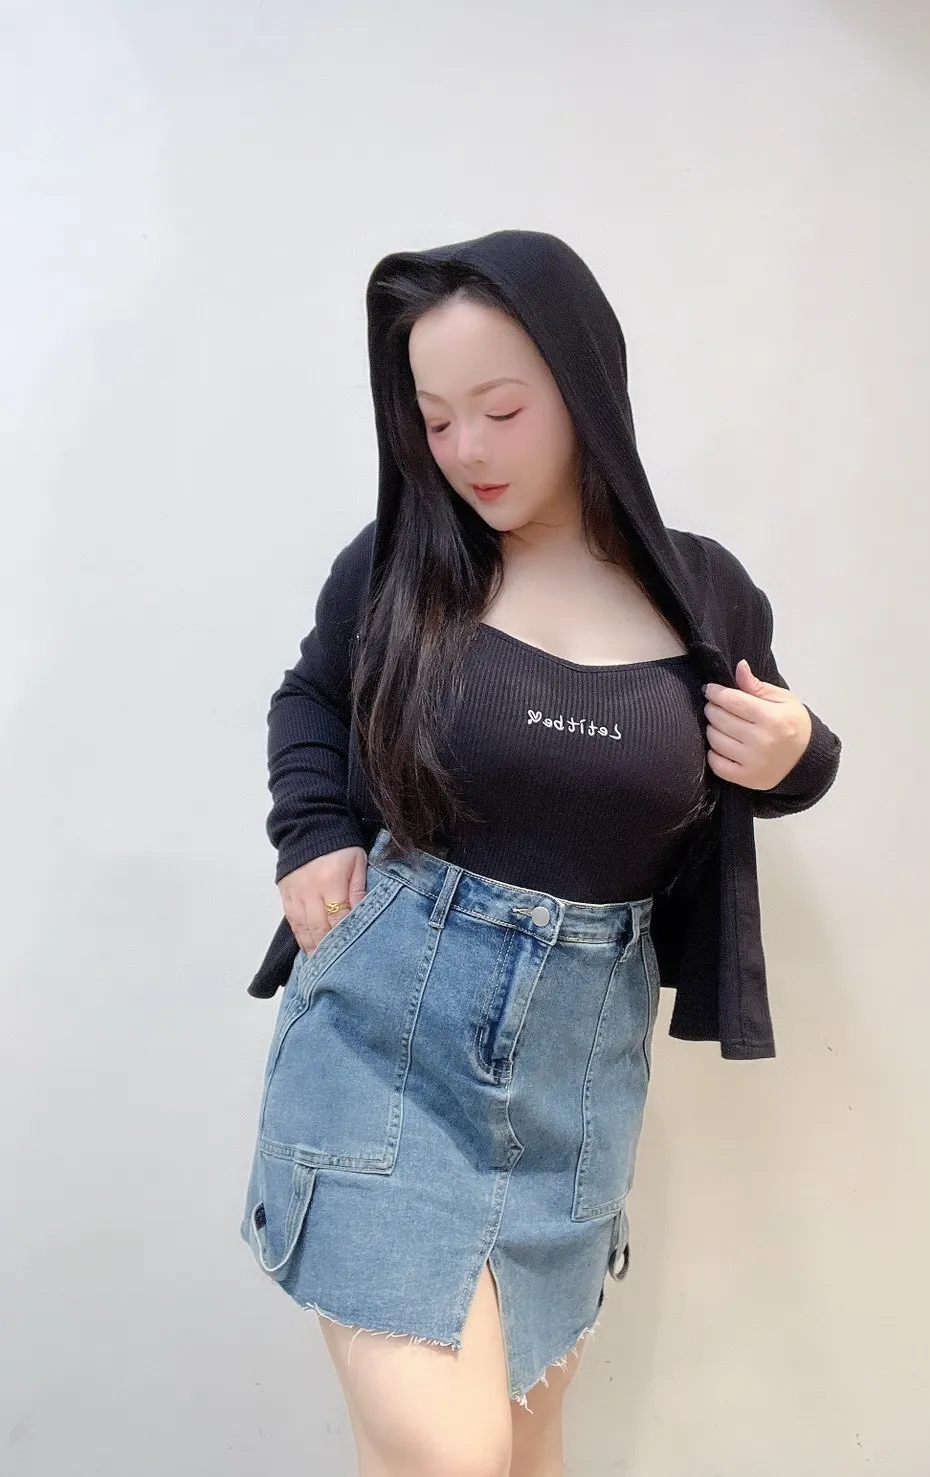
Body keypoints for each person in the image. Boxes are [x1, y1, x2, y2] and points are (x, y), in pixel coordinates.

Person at [240, 229, 841, 1477]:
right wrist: (312, 833)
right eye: (435, 419)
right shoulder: (400, 565)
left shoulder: (704, 594)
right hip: (384, 1042)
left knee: (522, 1443)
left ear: (583, 386)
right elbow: (312, 696)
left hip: (578, 1077)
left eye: (501, 410)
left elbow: (778, 755)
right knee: (451, 1454)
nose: (465, 450)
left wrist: (797, 748)